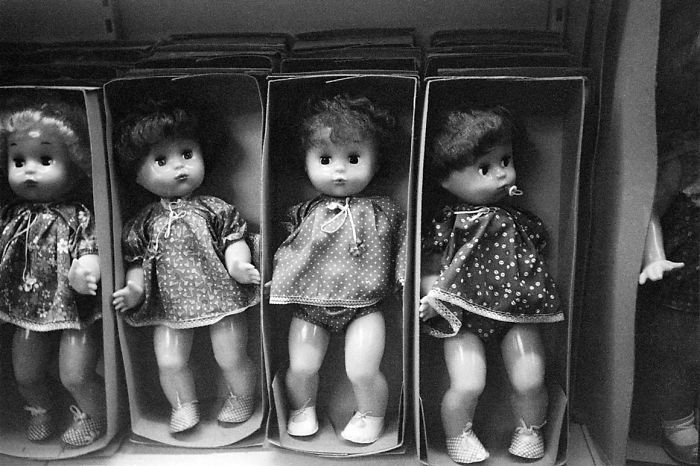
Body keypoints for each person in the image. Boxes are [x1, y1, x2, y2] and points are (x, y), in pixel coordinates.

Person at [420, 106, 563, 463]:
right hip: (462, 312)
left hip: (516, 309)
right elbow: (431, 262)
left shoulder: (519, 220)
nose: (501, 174)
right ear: (445, 180)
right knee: (468, 383)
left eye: (505, 161)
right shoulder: (448, 222)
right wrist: (432, 295)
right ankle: (458, 436)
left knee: (530, 377)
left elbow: (537, 251)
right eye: (484, 168)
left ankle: (530, 430)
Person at [112, 103, 260, 434]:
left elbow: (234, 239)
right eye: (161, 161)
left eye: (187, 154)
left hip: (220, 295)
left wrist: (238, 264)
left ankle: (242, 396)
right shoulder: (144, 222)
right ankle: (183, 405)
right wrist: (134, 288)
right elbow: (137, 261)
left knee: (231, 355)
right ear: (137, 174)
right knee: (169, 360)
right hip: (169, 303)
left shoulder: (214, 209)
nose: (179, 166)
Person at [270, 94, 406, 444]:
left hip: (365, 305)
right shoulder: (302, 212)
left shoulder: (384, 210)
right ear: (305, 164)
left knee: (362, 370)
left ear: (376, 163)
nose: (339, 170)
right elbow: (285, 247)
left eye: (354, 158)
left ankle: (371, 414)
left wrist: (405, 278)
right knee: (301, 366)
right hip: (310, 303)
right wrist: (275, 276)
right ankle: (301, 409)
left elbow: (404, 244)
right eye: (325, 159)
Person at [0, 98, 105, 447]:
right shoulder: (12, 215)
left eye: (45, 160)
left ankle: (95, 414)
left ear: (74, 163)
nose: (29, 170)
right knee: (25, 373)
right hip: (27, 310)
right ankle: (40, 410)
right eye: (18, 161)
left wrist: (85, 270)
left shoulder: (77, 215)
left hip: (75, 310)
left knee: (75, 375)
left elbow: (91, 248)